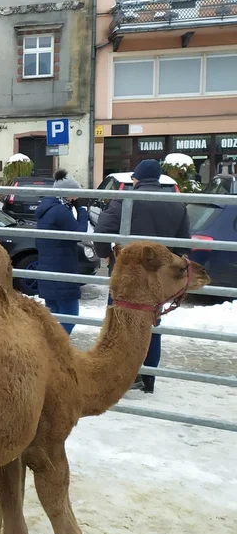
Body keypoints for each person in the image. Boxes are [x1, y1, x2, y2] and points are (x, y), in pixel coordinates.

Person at [95, 159, 191, 393]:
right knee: (151, 323)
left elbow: (101, 232)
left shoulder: (124, 201)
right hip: (157, 280)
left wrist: (106, 255)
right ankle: (149, 377)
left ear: (136, 179)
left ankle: (124, 377)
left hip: (126, 277)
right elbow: (183, 244)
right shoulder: (176, 204)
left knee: (120, 324)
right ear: (158, 180)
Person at [34, 170, 90, 336]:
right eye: (75, 194)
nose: (76, 198)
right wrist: (82, 210)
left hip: (48, 269)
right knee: (71, 316)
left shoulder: (48, 208)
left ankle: (49, 348)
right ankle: (57, 348)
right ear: (66, 194)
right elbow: (79, 234)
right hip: (62, 270)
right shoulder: (60, 211)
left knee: (53, 315)